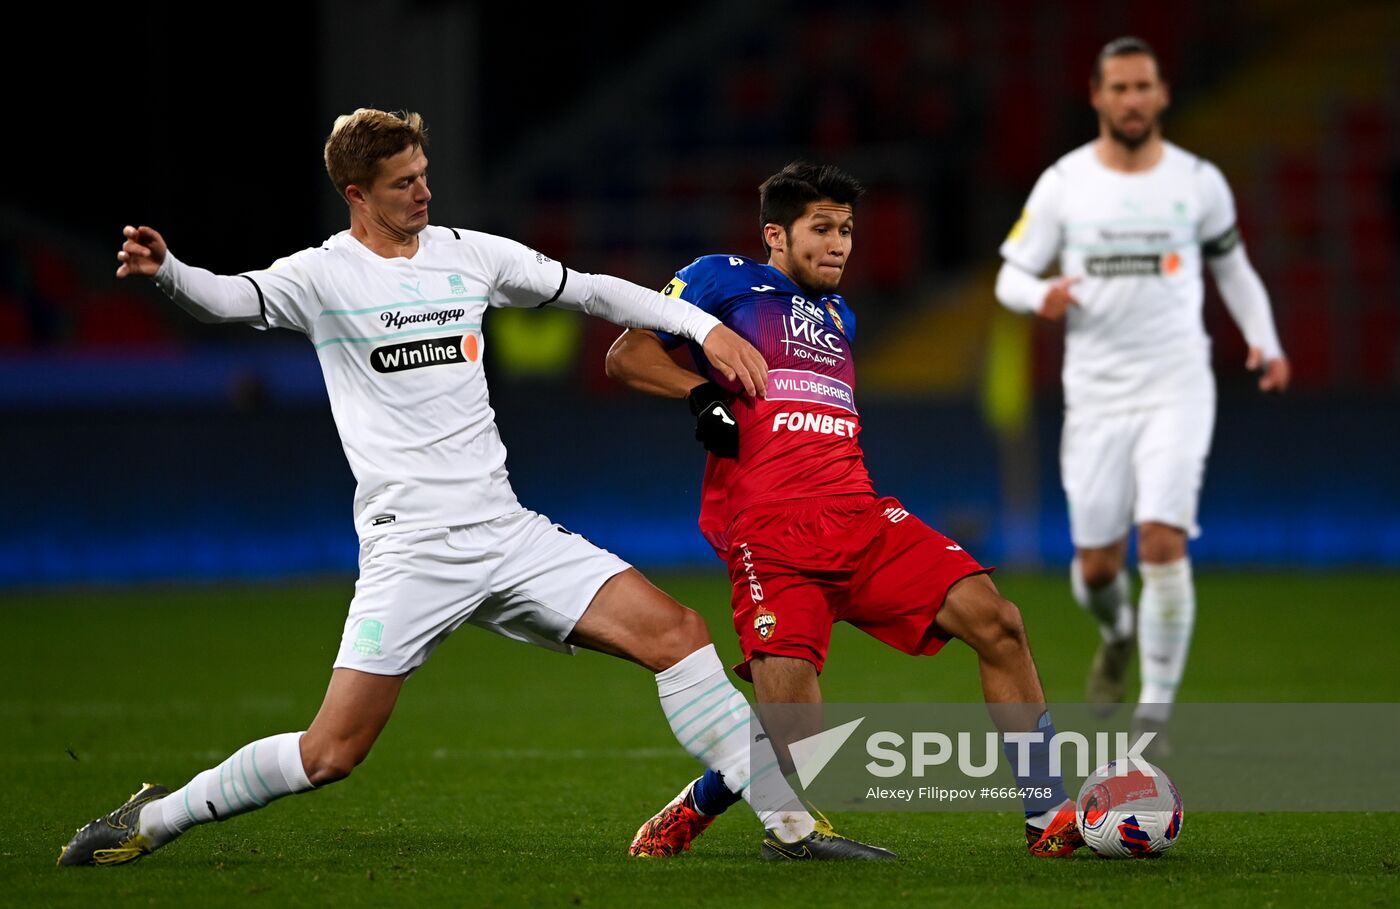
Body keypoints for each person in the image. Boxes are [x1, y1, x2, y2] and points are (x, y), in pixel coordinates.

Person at [57, 108, 892, 866]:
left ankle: (791, 830)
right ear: (356, 193)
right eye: (403, 183)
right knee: (331, 753)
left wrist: (700, 324)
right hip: (411, 546)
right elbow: (227, 300)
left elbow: (592, 290)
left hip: (504, 530)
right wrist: (168, 271)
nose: (424, 190)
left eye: (424, 173)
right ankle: (153, 819)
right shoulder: (323, 277)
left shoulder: (468, 255)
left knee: (676, 632)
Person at [606, 162, 1083, 859]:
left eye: (848, 231)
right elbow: (627, 353)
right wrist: (697, 394)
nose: (840, 245)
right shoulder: (720, 278)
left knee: (999, 622)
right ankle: (707, 801)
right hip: (771, 531)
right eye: (822, 229)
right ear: (776, 232)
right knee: (798, 737)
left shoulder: (839, 315)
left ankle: (1049, 818)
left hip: (861, 517)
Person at [994, 38, 1290, 745]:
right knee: (1096, 565)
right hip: (1095, 395)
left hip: (1177, 384)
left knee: (1161, 538)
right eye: (1118, 88)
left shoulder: (1198, 181)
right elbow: (1009, 276)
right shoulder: (1064, 183)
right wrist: (1043, 294)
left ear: (1161, 95)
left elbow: (1234, 267)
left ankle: (1154, 714)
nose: (1132, 99)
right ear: (1097, 95)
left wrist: (1266, 339)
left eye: (1143, 87)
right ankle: (1117, 627)